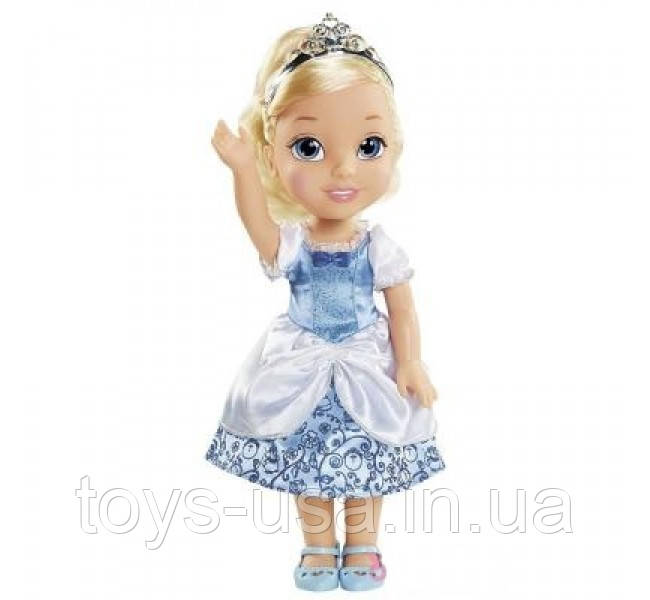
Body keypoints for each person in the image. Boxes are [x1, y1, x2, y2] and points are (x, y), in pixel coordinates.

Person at [205, 12, 446, 591]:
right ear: (274, 155)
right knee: (308, 457)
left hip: (367, 359)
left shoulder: (377, 246)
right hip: (302, 361)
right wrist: (241, 170)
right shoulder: (294, 243)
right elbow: (260, 231)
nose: (343, 169)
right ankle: (318, 546)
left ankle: (362, 543)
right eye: (308, 147)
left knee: (367, 451)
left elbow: (402, 308)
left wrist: (410, 361)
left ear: (394, 148)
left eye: (368, 146)